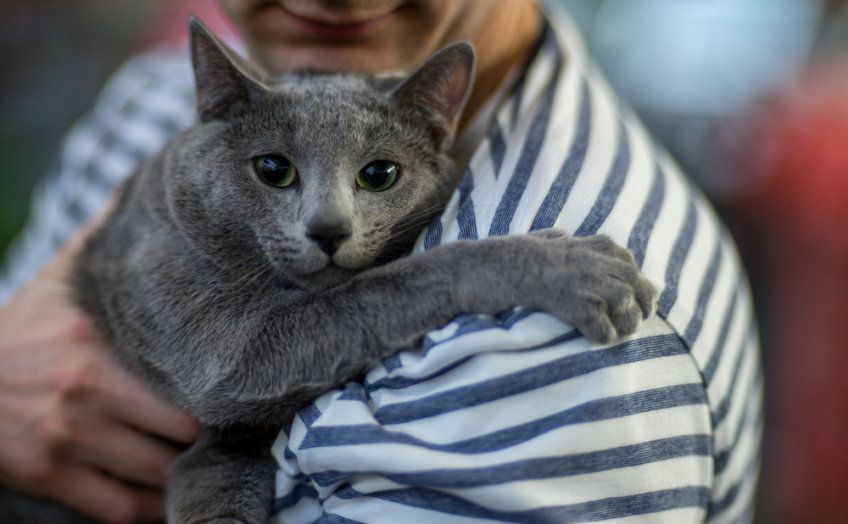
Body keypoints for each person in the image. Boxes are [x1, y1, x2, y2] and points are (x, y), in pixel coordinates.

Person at [0, 1, 762, 522]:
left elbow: (230, 372)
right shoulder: (152, 96)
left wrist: (474, 274)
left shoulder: (559, 336)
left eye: (375, 177)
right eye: (274, 173)